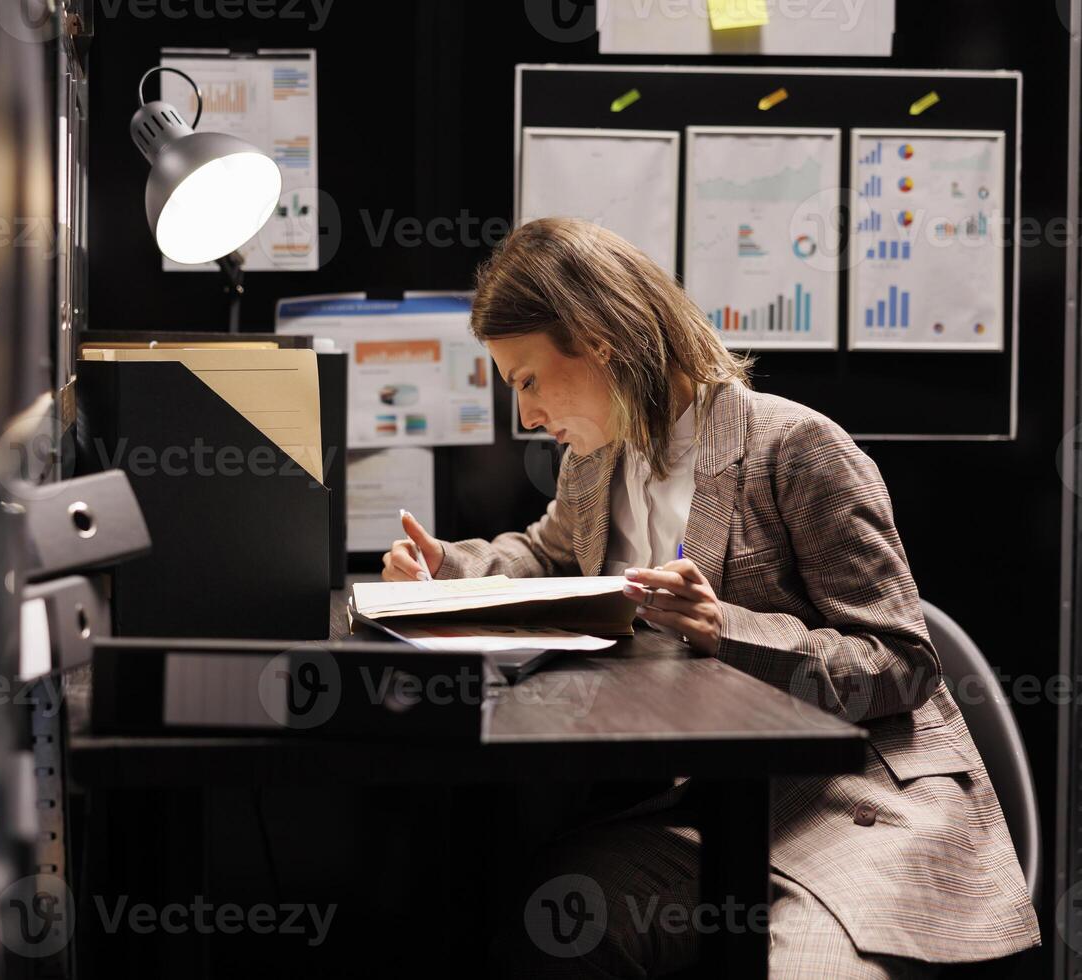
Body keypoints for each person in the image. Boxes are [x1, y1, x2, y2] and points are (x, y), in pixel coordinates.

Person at [380, 218, 1039, 977]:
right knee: (553, 929)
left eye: (526, 380)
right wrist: (446, 566)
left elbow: (901, 662)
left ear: (598, 338)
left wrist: (724, 627)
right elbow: (546, 555)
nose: (524, 415)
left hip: (846, 808)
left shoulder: (796, 447)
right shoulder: (595, 462)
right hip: (699, 815)